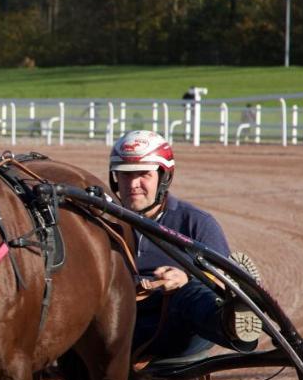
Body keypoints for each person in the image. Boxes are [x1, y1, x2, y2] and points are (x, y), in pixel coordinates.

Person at [108, 129, 263, 361]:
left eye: (143, 175)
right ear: (115, 178)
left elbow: (221, 277)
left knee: (189, 293)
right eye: (125, 175)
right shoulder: (102, 223)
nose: (132, 184)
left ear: (164, 177)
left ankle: (232, 323)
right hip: (119, 323)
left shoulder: (195, 222)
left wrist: (186, 278)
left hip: (176, 325)